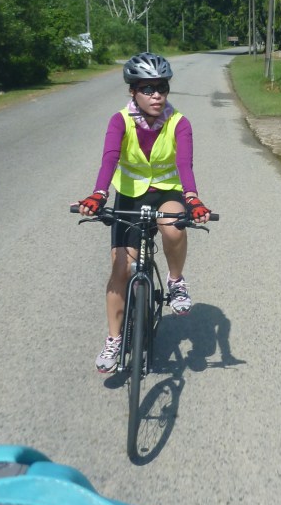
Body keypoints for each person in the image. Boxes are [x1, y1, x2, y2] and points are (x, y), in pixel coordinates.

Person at [78, 53, 211, 373]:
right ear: (133, 91)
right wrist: (98, 194)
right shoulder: (120, 121)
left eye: (162, 88)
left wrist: (193, 199)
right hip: (129, 195)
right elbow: (110, 158)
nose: (156, 95)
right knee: (120, 269)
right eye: (148, 89)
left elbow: (184, 164)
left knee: (173, 226)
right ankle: (114, 339)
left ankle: (176, 281)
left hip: (167, 191)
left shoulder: (179, 122)